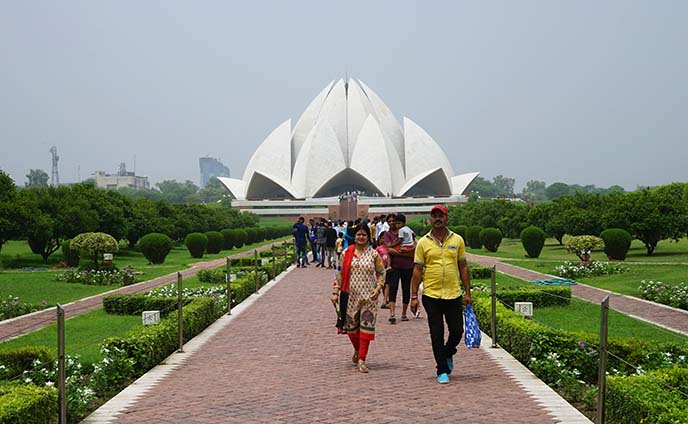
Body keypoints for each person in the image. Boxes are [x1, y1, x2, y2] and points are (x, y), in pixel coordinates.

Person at [410, 205, 471, 384]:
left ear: (446, 218)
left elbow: (463, 266)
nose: (438, 219)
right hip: (431, 294)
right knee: (437, 332)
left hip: (453, 293)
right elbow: (417, 270)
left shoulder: (457, 240)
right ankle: (441, 369)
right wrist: (414, 296)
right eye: (434, 216)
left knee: (457, 331)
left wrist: (468, 292)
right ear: (430, 219)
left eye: (441, 216)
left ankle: (447, 352)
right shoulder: (423, 243)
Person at [331, 224, 385, 373]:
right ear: (354, 237)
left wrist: (378, 288)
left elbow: (381, 273)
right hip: (350, 297)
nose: (361, 237)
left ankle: (362, 359)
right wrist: (335, 291)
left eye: (364, 235)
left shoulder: (373, 254)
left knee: (366, 329)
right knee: (352, 329)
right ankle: (357, 349)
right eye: (358, 235)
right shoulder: (347, 253)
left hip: (369, 297)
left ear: (368, 237)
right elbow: (339, 274)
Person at [383, 214, 415, 323]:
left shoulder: (405, 232)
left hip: (407, 266)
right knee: (393, 288)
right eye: (391, 221)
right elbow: (388, 249)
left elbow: (414, 247)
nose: (393, 223)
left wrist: (401, 252)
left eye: (395, 221)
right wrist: (407, 254)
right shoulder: (387, 234)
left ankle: (404, 313)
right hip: (395, 267)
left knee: (406, 289)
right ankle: (392, 313)